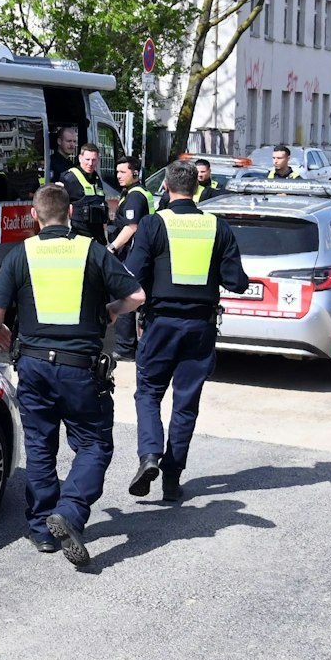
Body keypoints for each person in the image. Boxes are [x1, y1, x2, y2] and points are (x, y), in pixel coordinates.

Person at [0, 184, 144, 570]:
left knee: (40, 446)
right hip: (79, 368)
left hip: (34, 365)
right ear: (70, 213)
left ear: (34, 216)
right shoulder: (91, 250)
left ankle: (41, 530)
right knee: (93, 445)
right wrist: (109, 312)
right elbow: (137, 296)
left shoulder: (21, 253)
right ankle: (70, 512)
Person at [123, 161, 249, 502]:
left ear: (165, 186)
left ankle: (150, 455)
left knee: (148, 393)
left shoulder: (152, 224)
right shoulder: (216, 227)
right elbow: (237, 282)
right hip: (201, 327)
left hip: (160, 324)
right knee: (185, 404)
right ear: (196, 188)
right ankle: (171, 481)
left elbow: (132, 276)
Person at [105, 156, 151, 359]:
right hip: (137, 252)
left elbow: (132, 227)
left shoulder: (135, 196)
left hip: (132, 252)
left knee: (123, 294)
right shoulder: (133, 193)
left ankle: (124, 348)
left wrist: (112, 247)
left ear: (135, 173)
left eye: (122, 172)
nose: (118, 176)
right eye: (117, 172)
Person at [59, 142, 109, 241]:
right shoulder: (69, 178)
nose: (90, 163)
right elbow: (60, 208)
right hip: (78, 235)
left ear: (98, 160)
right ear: (80, 158)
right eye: (87, 159)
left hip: (97, 236)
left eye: (94, 160)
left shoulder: (97, 178)